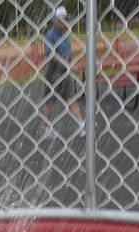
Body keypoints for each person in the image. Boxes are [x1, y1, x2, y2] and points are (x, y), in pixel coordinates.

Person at [41, 6, 85, 138]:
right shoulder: (49, 35)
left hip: (65, 72)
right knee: (49, 101)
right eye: (61, 20)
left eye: (65, 20)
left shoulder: (66, 33)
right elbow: (51, 54)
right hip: (53, 72)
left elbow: (67, 52)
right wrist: (67, 64)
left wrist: (71, 64)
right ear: (55, 21)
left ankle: (81, 125)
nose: (65, 22)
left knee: (71, 98)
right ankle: (47, 129)